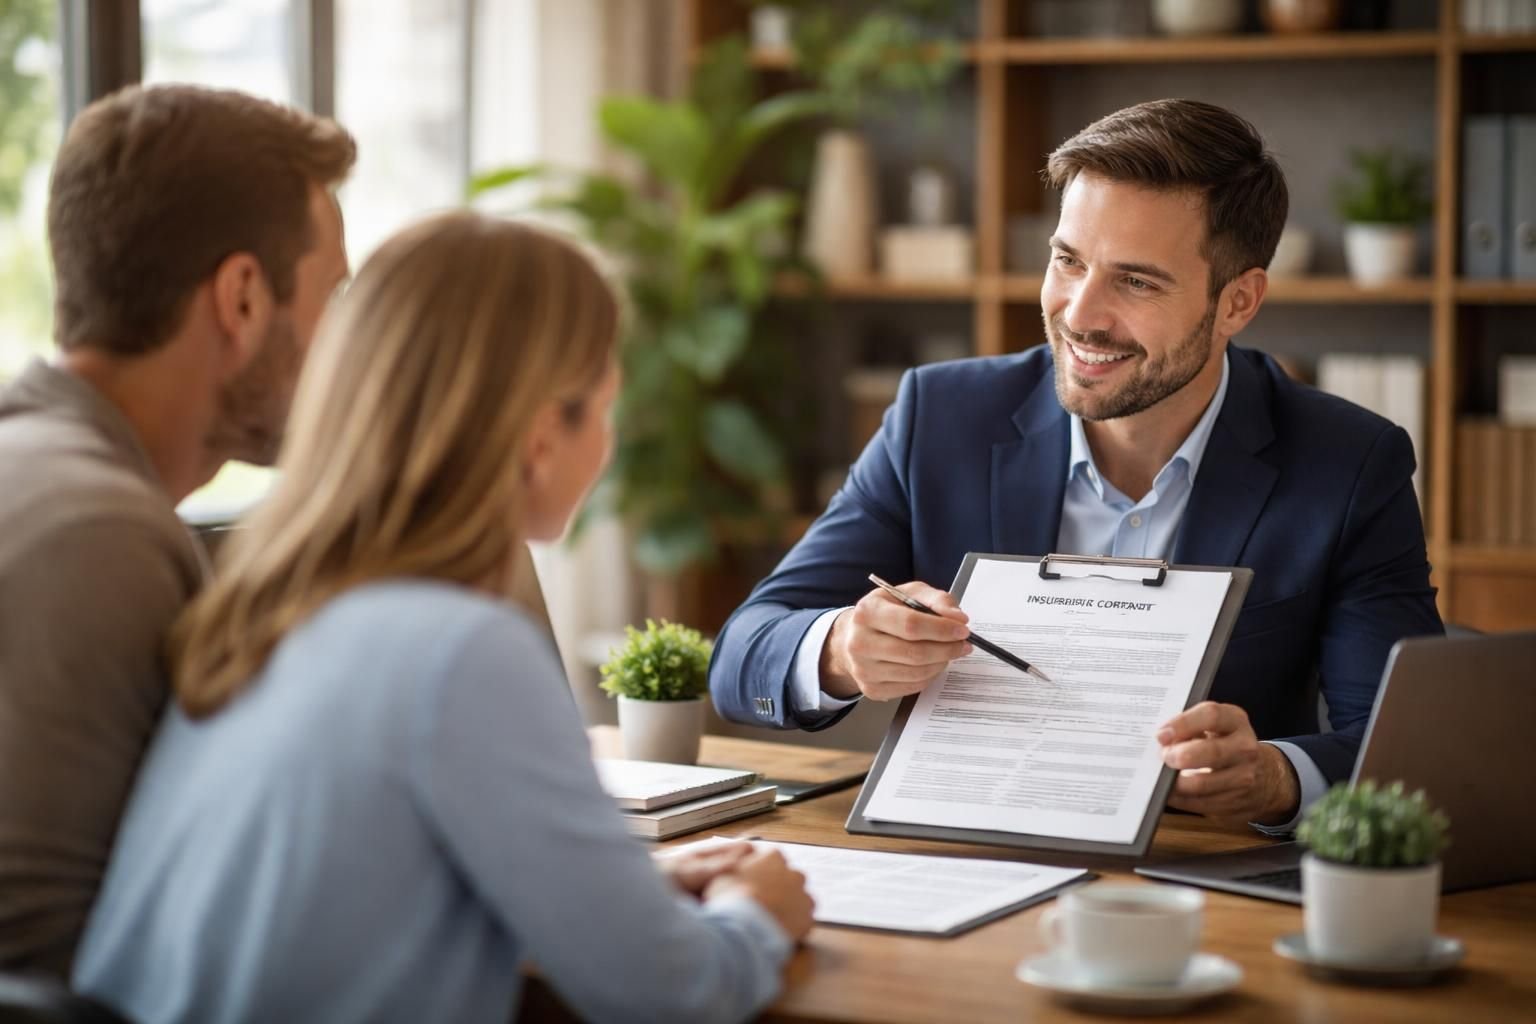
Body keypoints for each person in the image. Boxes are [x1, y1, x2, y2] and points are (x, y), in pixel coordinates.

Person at [72, 213, 814, 1024]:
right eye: (604, 409)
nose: (606, 444)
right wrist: (757, 912)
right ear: (539, 436)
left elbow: (363, 884)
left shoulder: (272, 609)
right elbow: (676, 995)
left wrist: (614, 891)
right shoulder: (463, 651)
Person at [709, 99, 1443, 830]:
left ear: (1237, 302)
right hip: (965, 857)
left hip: (1199, 885)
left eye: (1137, 281)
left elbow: (1406, 752)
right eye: (1068, 261)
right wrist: (841, 648)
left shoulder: (1349, 465)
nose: (1080, 313)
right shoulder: (940, 417)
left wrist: (1277, 778)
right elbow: (743, 656)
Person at [0, 84, 354, 976]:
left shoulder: (36, 467)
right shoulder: (102, 533)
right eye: (334, 300)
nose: (346, 350)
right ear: (241, 299)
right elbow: (43, 961)